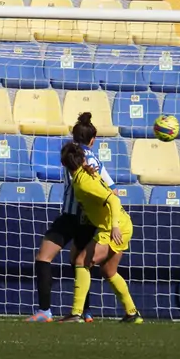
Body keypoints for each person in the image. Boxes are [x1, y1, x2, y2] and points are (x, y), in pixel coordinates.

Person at [27, 112, 113, 323]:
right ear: (93, 140)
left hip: (71, 215)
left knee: (44, 257)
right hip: (89, 220)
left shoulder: (71, 154)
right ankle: (86, 312)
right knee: (79, 262)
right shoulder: (96, 160)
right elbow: (111, 188)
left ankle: (45, 311)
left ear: (74, 137)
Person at [60, 142, 142, 323]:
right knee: (109, 270)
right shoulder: (86, 173)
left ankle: (76, 313)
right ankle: (132, 313)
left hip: (114, 227)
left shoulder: (83, 182)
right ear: (82, 160)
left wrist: (114, 226)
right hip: (122, 223)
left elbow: (113, 199)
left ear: (64, 164)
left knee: (81, 261)